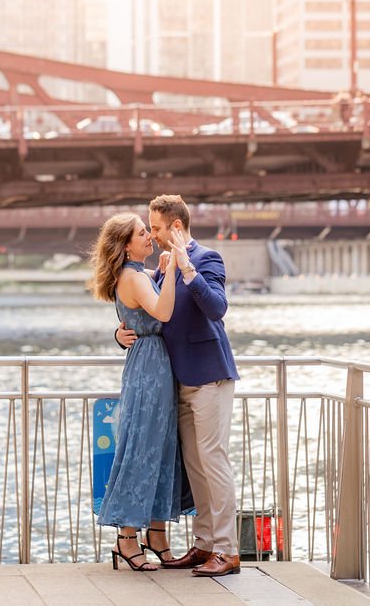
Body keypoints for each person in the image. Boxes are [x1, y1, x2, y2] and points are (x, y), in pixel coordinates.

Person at [115, 195, 241, 578]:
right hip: (177, 381)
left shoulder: (207, 259)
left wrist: (188, 271)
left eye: (154, 228)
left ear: (174, 226)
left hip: (210, 374)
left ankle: (227, 550)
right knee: (195, 465)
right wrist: (119, 334)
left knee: (213, 459)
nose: (151, 237)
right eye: (148, 230)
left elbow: (217, 308)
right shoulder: (158, 270)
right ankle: (205, 544)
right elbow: (149, 313)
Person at [88, 212, 189, 572]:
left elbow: (138, 314)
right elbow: (161, 311)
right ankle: (127, 538)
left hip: (154, 365)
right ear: (126, 243)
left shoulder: (138, 275)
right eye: (142, 232)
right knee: (142, 450)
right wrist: (175, 268)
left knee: (163, 450)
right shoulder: (131, 276)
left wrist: (164, 271)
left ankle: (157, 535)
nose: (149, 236)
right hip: (148, 371)